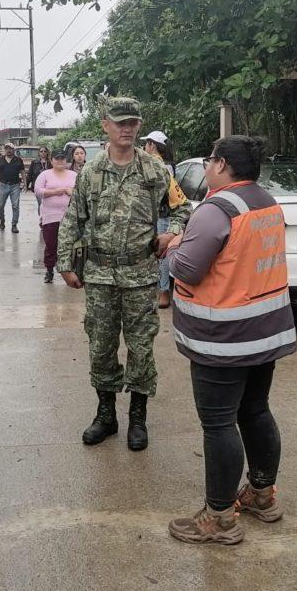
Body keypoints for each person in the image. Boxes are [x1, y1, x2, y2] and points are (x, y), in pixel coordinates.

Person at [163, 135, 295, 545]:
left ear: (221, 164)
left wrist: (173, 247)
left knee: (219, 424)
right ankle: (261, 495)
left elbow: (187, 269)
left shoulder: (216, 209)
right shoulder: (265, 202)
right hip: (264, 331)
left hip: (223, 339)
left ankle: (219, 517)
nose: (206, 167)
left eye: (209, 160)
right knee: (255, 411)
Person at [57, 97, 191, 451]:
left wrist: (171, 233)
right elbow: (73, 218)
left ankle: (137, 417)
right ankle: (106, 415)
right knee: (101, 346)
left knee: (141, 347)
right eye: (120, 122)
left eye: (132, 122)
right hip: (99, 276)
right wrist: (65, 263)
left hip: (140, 275)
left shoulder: (154, 170)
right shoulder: (91, 172)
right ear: (106, 125)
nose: (127, 128)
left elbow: (183, 209)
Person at [142, 130, 186, 309]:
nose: (144, 147)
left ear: (152, 145)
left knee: (161, 254)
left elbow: (176, 198)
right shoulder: (166, 164)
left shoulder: (159, 166)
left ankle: (164, 291)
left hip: (162, 216)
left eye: (146, 144)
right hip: (159, 216)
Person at [34, 149, 76, 283]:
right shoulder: (45, 174)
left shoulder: (73, 175)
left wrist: (72, 192)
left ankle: (70, 270)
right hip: (51, 216)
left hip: (70, 216)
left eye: (62, 158)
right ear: (51, 160)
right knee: (51, 244)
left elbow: (82, 190)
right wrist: (53, 192)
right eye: (57, 159)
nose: (60, 161)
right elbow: (37, 190)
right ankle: (49, 269)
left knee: (70, 245)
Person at [0, 142, 25, 233]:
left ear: (13, 150)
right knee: (0, 205)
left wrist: (25, 184)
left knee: (15, 206)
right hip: (3, 185)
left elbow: (22, 172)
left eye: (10, 148)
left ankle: (14, 225)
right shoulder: (0, 160)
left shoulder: (18, 160)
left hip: (15, 185)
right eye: (7, 148)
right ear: (5, 150)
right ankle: (2, 221)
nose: (8, 150)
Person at [27, 146, 53, 216]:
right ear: (39, 153)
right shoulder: (34, 162)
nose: (43, 153)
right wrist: (26, 185)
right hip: (38, 186)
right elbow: (30, 174)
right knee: (41, 203)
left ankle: (47, 217)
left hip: (49, 186)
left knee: (48, 203)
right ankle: (42, 218)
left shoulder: (50, 163)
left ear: (47, 153)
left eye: (45, 151)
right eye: (41, 151)